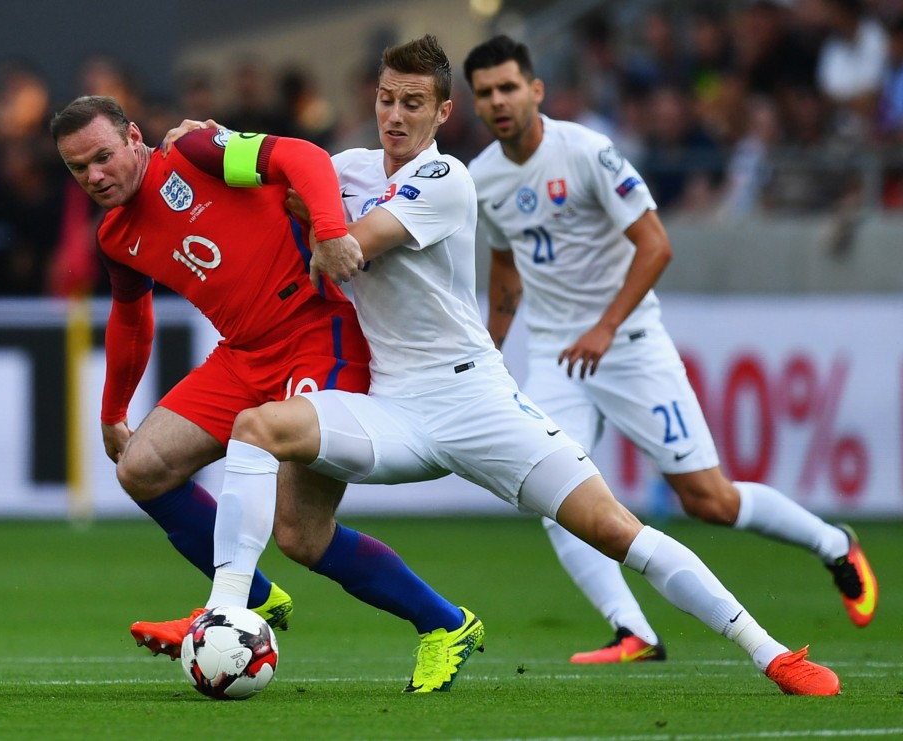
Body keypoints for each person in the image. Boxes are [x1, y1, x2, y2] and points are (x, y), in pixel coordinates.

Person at [165, 34, 840, 697]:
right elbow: (259, 167)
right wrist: (207, 137)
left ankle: (771, 652)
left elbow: (354, 247)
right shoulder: (346, 169)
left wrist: (319, 223)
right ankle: (227, 607)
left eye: (412, 103)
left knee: (615, 530)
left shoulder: (447, 177)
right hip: (392, 405)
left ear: (442, 113)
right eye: (385, 100)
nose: (395, 116)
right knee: (257, 428)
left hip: (476, 401)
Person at [461, 34, 878, 665]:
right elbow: (504, 271)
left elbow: (656, 245)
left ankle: (833, 543)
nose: (498, 100)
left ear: (535, 90)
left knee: (708, 500)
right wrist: (490, 348)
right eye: (486, 92)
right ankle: (634, 631)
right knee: (551, 491)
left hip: (627, 345)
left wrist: (604, 327)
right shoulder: (482, 178)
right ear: (474, 101)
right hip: (555, 357)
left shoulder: (589, 152)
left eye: (508, 87)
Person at [49, 96, 480, 681]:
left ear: (132, 137)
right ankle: (247, 597)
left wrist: (329, 233)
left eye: (102, 157)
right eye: (78, 168)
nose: (95, 176)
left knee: (301, 535)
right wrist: (113, 410)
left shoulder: (195, 151)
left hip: (319, 334)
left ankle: (445, 623)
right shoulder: (115, 235)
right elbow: (132, 317)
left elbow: (303, 157)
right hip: (243, 355)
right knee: (141, 468)